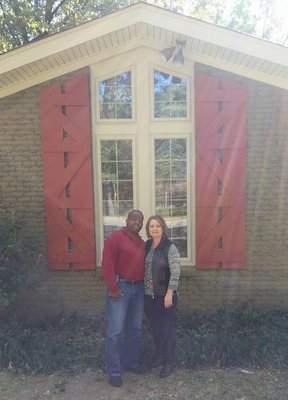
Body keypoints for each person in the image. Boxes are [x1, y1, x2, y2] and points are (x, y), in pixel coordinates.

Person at [102, 209, 145, 388]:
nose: (136, 222)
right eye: (133, 219)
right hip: (121, 288)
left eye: (140, 220)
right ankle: (114, 371)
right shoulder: (115, 238)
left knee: (135, 329)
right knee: (115, 331)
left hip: (139, 288)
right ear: (126, 220)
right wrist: (113, 288)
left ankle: (131, 363)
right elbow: (107, 264)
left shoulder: (142, 243)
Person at [144, 215, 181, 379]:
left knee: (167, 330)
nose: (154, 229)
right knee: (156, 330)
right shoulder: (147, 245)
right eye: (151, 226)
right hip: (149, 297)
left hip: (165, 296)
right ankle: (159, 357)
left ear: (163, 228)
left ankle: (169, 363)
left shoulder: (170, 247)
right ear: (148, 229)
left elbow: (176, 272)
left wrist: (169, 293)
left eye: (158, 226)